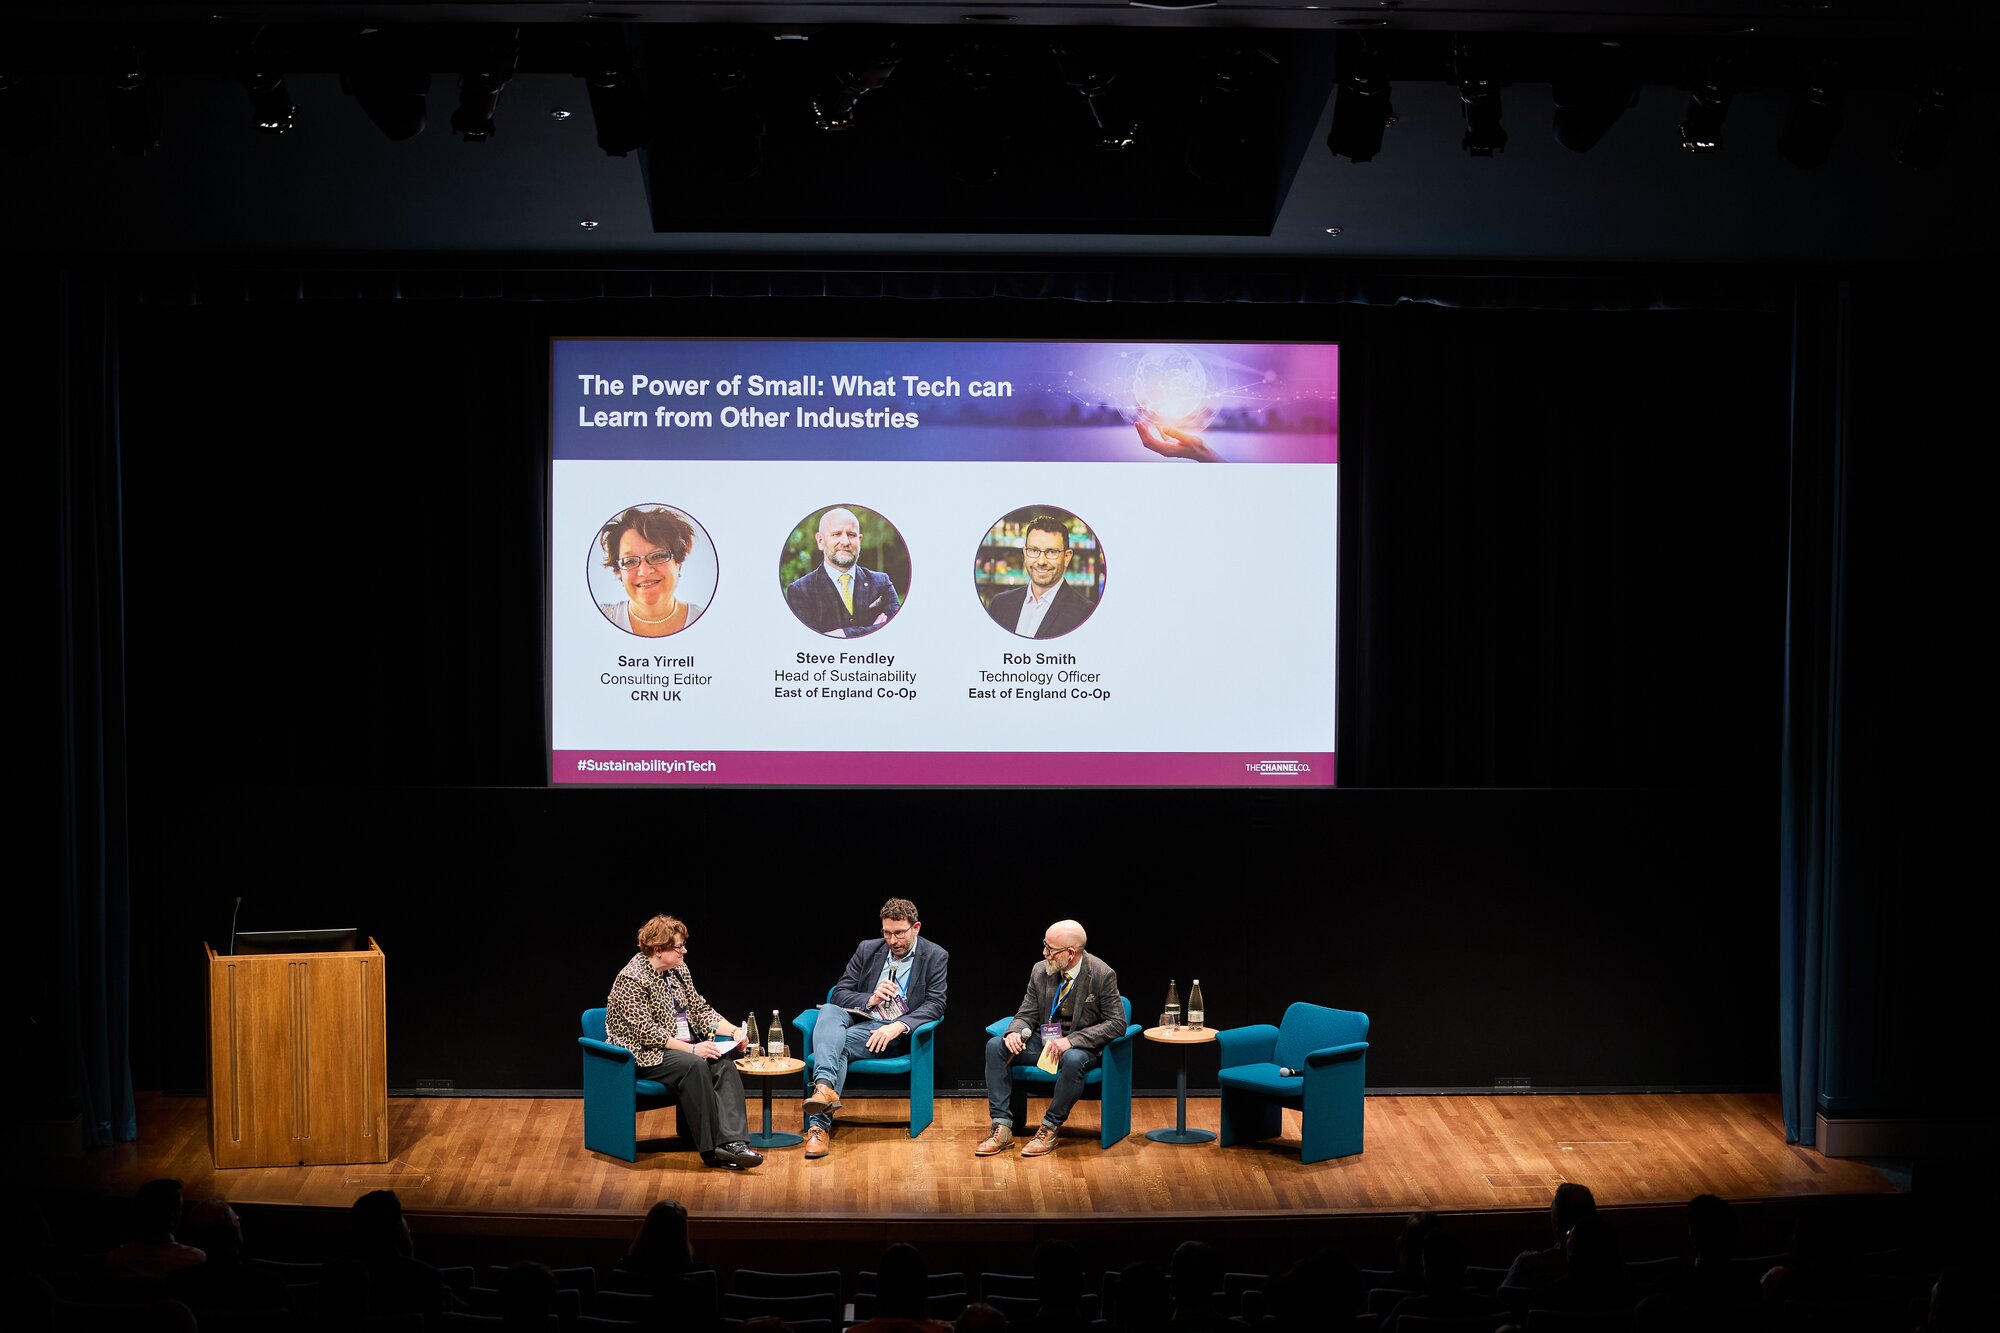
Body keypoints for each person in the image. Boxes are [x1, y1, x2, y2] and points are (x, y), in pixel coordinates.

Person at [605, 915, 763, 1169]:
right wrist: (692, 1048)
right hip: (641, 1053)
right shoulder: (632, 979)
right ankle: (712, 1150)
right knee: (695, 1064)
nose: (684, 951)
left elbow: (699, 1011)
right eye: (679, 947)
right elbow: (646, 1032)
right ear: (658, 949)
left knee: (723, 1064)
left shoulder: (678, 970)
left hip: (675, 1048)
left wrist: (734, 1031)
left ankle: (735, 1143)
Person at [802, 898, 949, 1159]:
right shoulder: (868, 949)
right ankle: (825, 1087)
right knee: (828, 1010)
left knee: (840, 1045)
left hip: (890, 1033)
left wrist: (899, 1026)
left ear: (916, 928)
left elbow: (936, 1004)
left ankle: (818, 1127)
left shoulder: (935, 956)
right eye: (887, 933)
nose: (892, 940)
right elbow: (839, 994)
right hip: (860, 1017)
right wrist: (870, 998)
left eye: (899, 933)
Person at [978, 919, 1125, 1158]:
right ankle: (1002, 1127)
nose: (1044, 953)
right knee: (996, 1046)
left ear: (1070, 953)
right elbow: (1026, 1013)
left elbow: (1117, 1023)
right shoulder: (1040, 970)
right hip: (1045, 1043)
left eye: (1050, 949)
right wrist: (1015, 1031)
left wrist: (1072, 1040)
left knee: (1075, 1059)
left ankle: (1049, 1128)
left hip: (1080, 1048)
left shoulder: (1101, 974)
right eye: (1044, 945)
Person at [785, 506, 901, 637]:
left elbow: (898, 629)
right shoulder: (800, 591)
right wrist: (875, 629)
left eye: (851, 535)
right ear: (820, 541)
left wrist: (844, 634)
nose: (845, 542)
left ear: (860, 540)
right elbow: (808, 642)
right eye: (836, 534)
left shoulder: (882, 583)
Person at [598, 506, 705, 637]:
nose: (644, 571)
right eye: (630, 561)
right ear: (619, 571)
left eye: (658, 556)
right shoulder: (599, 621)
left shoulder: (706, 621)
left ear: (678, 562)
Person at [984, 515, 1096, 640]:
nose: (1041, 561)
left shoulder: (1084, 613)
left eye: (1052, 552)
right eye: (1034, 550)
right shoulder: (1000, 604)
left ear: (1067, 557)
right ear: (1025, 553)